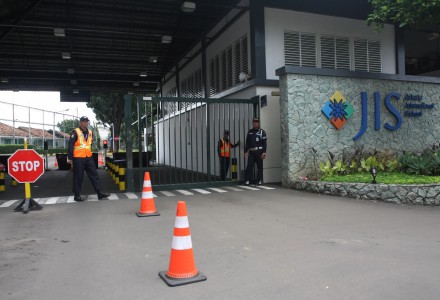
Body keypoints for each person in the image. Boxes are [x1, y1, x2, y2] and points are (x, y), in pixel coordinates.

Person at [67, 116, 110, 202]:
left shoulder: (90, 132)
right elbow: (70, 145)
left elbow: (88, 145)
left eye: (87, 121)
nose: (86, 123)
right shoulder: (75, 132)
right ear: (80, 123)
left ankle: (99, 193)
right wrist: (70, 158)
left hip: (88, 157)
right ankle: (77, 195)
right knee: (78, 177)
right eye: (84, 121)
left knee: (94, 175)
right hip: (78, 158)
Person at [244, 118, 267, 185]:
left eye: (256, 122)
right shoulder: (250, 131)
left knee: (259, 166)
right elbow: (247, 143)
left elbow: (264, 143)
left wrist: (264, 152)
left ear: (259, 123)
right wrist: (246, 152)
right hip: (251, 152)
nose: (255, 123)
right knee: (249, 165)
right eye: (254, 122)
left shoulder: (262, 132)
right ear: (252, 123)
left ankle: (259, 180)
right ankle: (247, 180)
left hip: (259, 151)